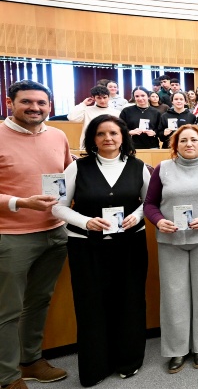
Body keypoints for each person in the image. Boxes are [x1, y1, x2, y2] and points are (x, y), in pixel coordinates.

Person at [52, 115, 150, 385]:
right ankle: (96, 366)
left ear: (123, 137)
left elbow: (151, 200)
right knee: (91, 305)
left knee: (129, 301)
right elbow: (56, 206)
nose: (108, 138)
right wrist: (86, 221)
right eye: (101, 134)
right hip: (86, 247)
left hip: (130, 245)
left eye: (114, 133)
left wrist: (138, 216)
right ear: (92, 139)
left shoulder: (138, 166)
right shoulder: (76, 168)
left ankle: (128, 360)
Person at [143, 125, 198, 374]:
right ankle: (176, 350)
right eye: (183, 140)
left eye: (194, 139)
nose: (189, 143)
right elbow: (149, 204)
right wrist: (159, 221)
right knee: (173, 296)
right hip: (171, 241)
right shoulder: (163, 169)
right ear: (175, 145)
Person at [0, 81, 72, 389]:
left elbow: (70, 175)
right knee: (8, 310)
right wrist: (21, 202)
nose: (35, 108)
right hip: (11, 236)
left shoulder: (58, 135)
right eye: (27, 102)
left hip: (55, 233)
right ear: (9, 102)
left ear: (50, 107)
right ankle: (7, 375)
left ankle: (30, 360)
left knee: (39, 301)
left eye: (42, 103)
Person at [68, 85, 121, 149]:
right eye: (99, 98)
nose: (102, 101)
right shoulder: (86, 110)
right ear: (93, 98)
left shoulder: (116, 113)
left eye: (104, 97)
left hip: (109, 144)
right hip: (89, 144)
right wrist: (83, 104)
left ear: (108, 97)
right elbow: (72, 118)